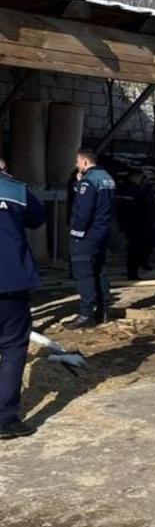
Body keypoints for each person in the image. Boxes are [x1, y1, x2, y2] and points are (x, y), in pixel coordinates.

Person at [0, 157, 46, 439]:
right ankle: (5, 419)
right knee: (13, 348)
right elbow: (38, 218)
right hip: (10, 283)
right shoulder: (14, 189)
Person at [66, 149, 117, 329]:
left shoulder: (89, 181)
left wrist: (76, 232)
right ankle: (103, 310)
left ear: (85, 162)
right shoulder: (107, 178)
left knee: (84, 273)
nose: (76, 165)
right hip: (103, 231)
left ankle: (85, 314)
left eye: (78, 161)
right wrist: (78, 184)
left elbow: (83, 210)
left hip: (88, 234)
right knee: (99, 270)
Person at [116, 169, 155, 280]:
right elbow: (130, 207)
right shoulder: (130, 189)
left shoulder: (136, 188)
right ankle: (133, 272)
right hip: (135, 223)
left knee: (144, 245)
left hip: (138, 222)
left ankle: (140, 264)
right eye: (140, 177)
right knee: (135, 248)